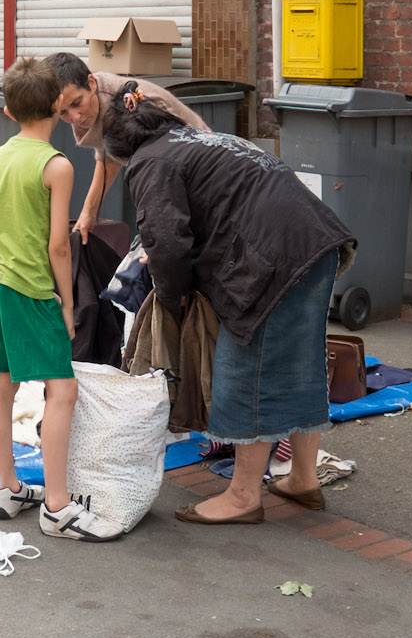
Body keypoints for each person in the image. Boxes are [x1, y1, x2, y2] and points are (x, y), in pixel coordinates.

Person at [100, 83, 356, 525]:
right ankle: (303, 480)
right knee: (301, 363)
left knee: (247, 371)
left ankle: (242, 498)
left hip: (273, 260)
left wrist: (173, 302)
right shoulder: (197, 139)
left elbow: (168, 244)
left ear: (122, 151)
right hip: (319, 245)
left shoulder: (149, 162)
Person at [0, 58, 122, 543]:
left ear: (9, 110)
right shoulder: (57, 165)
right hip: (29, 288)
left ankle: (8, 488)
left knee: (2, 385)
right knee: (62, 389)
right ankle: (57, 508)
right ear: (58, 105)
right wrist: (63, 301)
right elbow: (59, 244)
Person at [45, 51, 207, 237]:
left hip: (195, 168)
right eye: (63, 113)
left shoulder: (128, 104)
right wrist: (89, 211)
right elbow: (108, 158)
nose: (75, 117)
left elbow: (163, 168)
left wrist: (159, 233)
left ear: (91, 83)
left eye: (76, 103)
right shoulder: (97, 102)